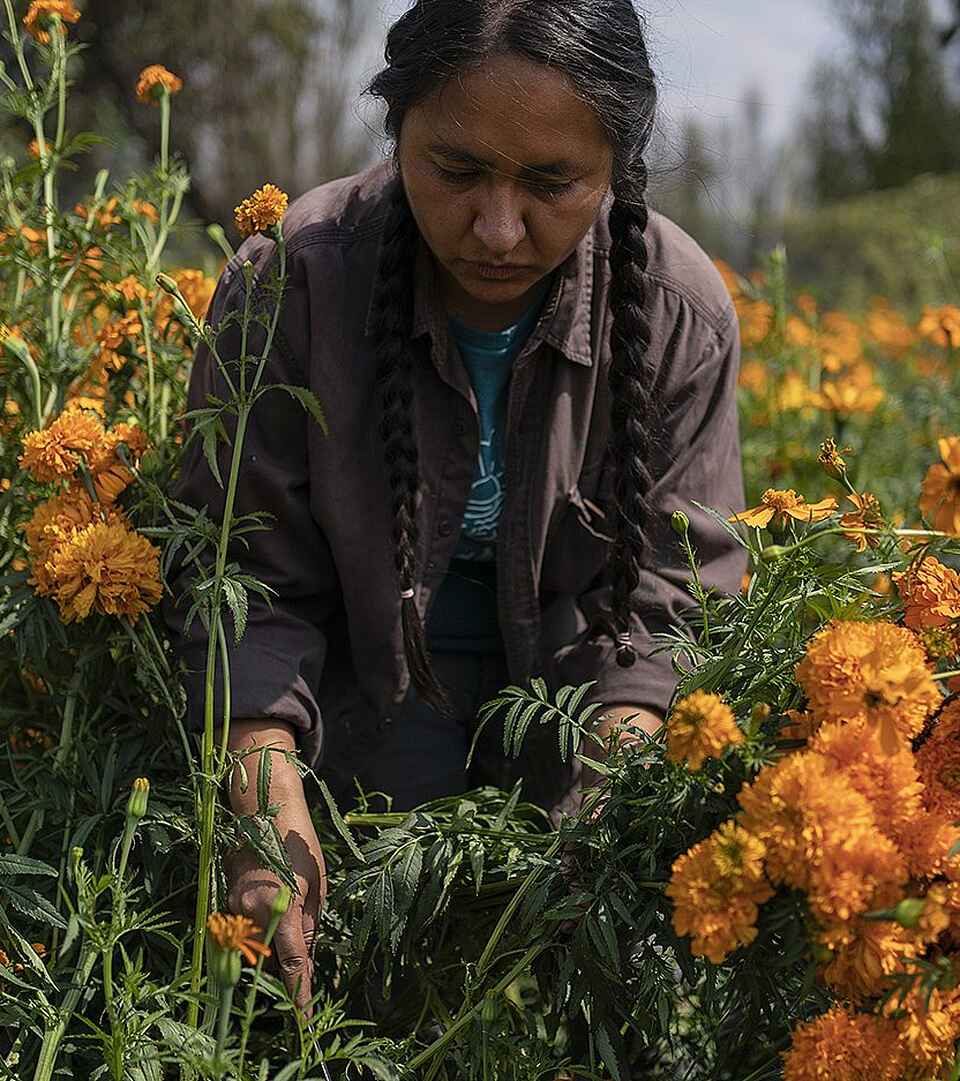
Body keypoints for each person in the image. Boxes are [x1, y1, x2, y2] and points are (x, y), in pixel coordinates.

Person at [163, 0, 747, 1012]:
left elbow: (667, 611)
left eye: (552, 184)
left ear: (618, 167)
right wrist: (266, 808)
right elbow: (245, 582)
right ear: (397, 136)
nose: (499, 229)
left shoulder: (678, 313)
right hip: (359, 697)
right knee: (358, 975)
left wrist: (604, 816)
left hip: (582, 712)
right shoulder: (298, 281)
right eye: (458, 171)